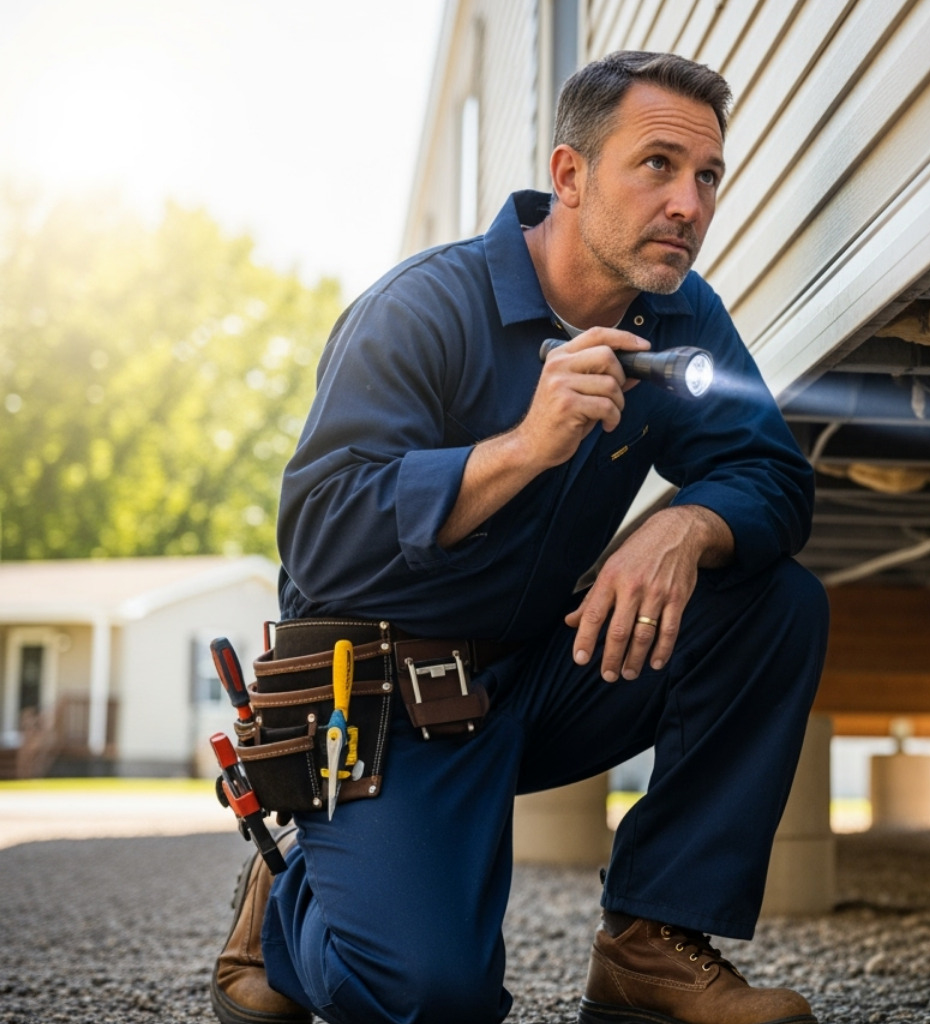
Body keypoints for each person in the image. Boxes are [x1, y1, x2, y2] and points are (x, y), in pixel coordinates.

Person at [210, 51, 827, 1024]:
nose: (690, 203)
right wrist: (522, 448)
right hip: (380, 704)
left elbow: (776, 477)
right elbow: (322, 538)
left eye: (708, 176)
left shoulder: (677, 316)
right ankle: (289, 901)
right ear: (570, 175)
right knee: (432, 994)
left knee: (774, 597)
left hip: (541, 676)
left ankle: (649, 942)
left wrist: (684, 526)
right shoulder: (420, 308)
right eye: (658, 165)